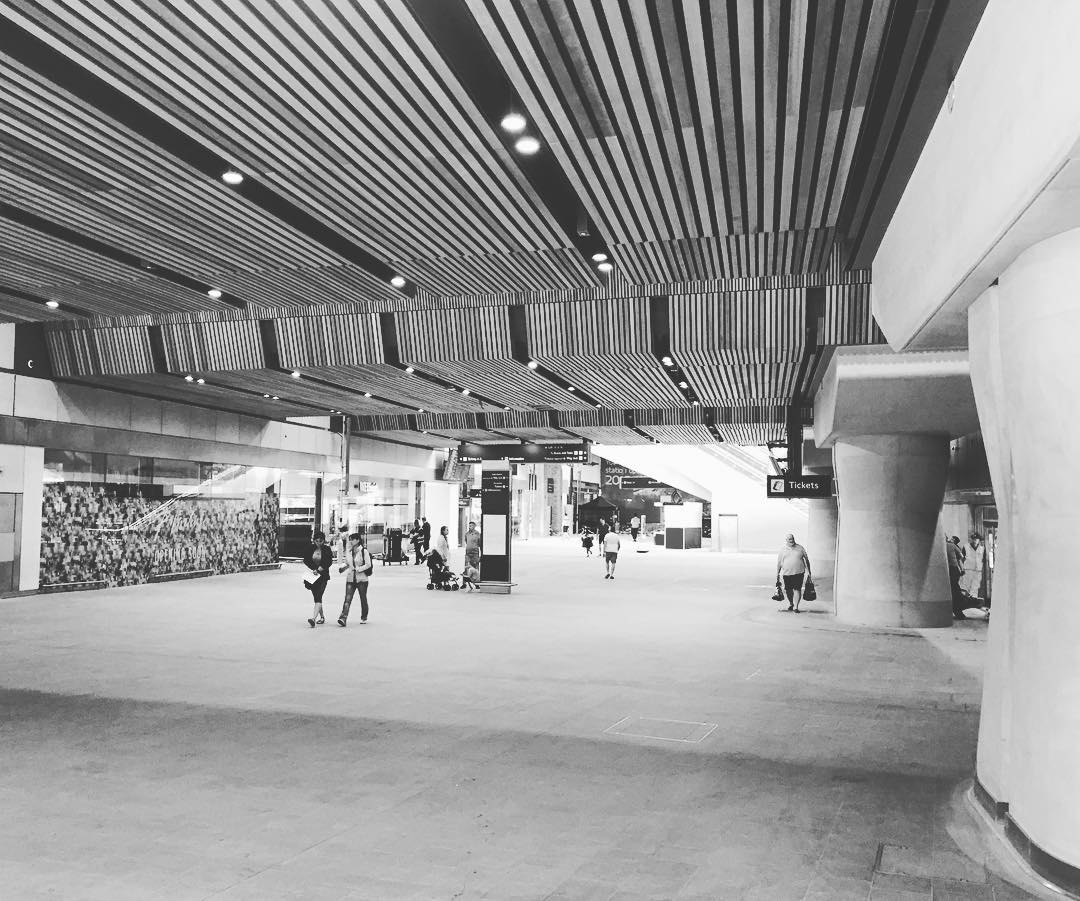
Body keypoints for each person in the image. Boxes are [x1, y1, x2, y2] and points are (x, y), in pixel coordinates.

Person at [336, 532, 372, 626]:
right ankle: (343, 618)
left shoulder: (364, 551)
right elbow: (348, 563)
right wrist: (343, 568)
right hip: (350, 579)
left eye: (352, 539)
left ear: (358, 540)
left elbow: (368, 564)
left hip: (362, 579)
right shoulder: (349, 551)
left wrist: (359, 569)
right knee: (347, 599)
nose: (351, 541)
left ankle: (364, 617)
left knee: (363, 598)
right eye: (350, 539)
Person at [304, 530, 333, 628]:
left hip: (323, 576)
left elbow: (329, 561)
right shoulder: (310, 548)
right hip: (313, 576)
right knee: (317, 597)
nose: (319, 543)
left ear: (324, 541)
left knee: (318, 595)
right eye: (317, 541)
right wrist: (314, 569)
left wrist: (320, 569)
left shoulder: (327, 549)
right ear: (314, 540)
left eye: (321, 541)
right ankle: (322, 617)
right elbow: (306, 560)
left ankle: (313, 618)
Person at [776, 533, 811, 613]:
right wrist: (777, 573)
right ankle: (791, 603)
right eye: (790, 539)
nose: (792, 540)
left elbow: (806, 560)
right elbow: (779, 562)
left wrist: (809, 571)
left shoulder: (800, 548)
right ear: (786, 540)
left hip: (799, 572)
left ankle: (796, 607)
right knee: (788, 590)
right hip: (787, 573)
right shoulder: (782, 549)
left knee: (797, 589)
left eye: (792, 538)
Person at [946, 534, 967, 619]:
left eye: (952, 538)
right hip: (954, 570)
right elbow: (961, 558)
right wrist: (962, 569)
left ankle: (957, 610)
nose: (950, 539)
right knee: (955, 589)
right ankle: (958, 611)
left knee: (953, 590)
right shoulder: (954, 546)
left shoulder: (948, 545)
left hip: (948, 569)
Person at [962, 532, 985, 601]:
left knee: (975, 586)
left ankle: (973, 601)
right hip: (968, 569)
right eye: (973, 539)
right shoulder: (966, 546)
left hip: (978, 570)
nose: (975, 541)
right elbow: (962, 558)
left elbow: (983, 559)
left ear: (979, 540)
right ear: (971, 539)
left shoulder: (982, 548)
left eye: (976, 539)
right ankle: (965, 601)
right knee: (966, 586)